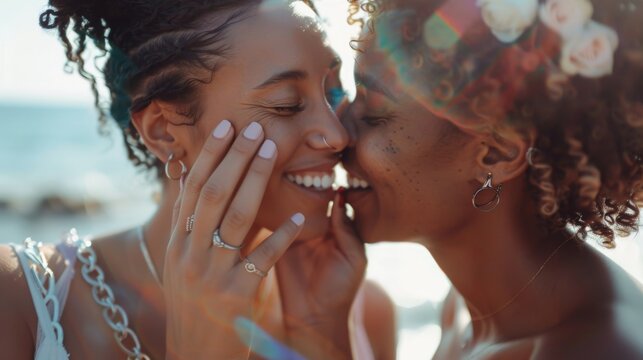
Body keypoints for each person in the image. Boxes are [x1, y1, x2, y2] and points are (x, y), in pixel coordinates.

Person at [0, 0, 395, 359]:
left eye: (335, 90)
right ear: (164, 131)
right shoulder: (21, 298)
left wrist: (321, 336)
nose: (337, 134)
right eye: (286, 104)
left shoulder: (363, 312)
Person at [332, 0, 643, 358]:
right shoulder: (465, 309)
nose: (337, 132)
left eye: (373, 113)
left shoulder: (595, 350)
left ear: (496, 154)